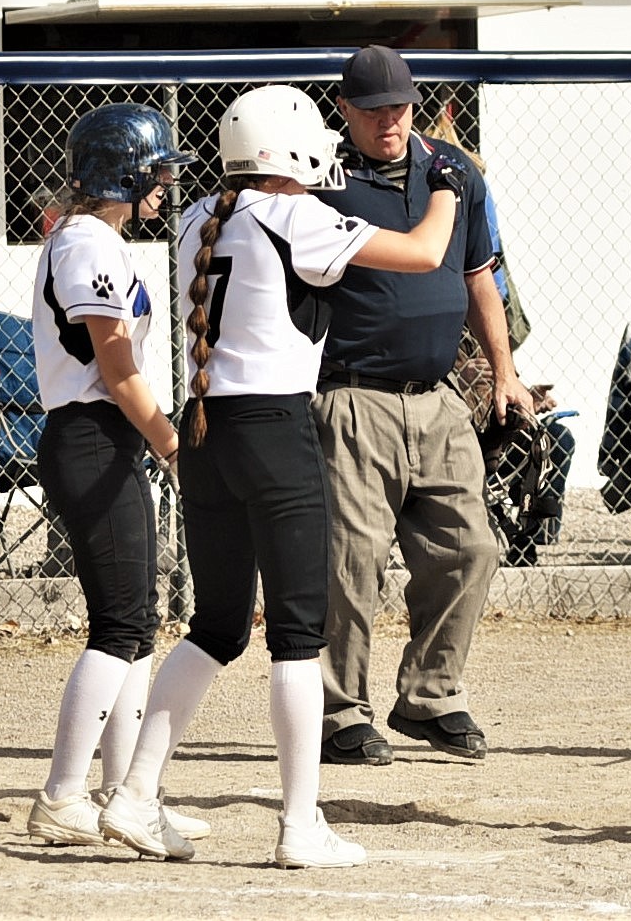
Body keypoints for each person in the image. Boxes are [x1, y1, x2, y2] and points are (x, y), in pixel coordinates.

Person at [95, 84, 466, 866]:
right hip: (272, 428)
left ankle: (133, 794)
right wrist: (451, 187)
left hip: (203, 428)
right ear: (286, 149)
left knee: (217, 627)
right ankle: (301, 825)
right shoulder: (293, 213)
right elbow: (426, 253)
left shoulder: (202, 214)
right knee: (299, 634)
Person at [311, 45, 534, 767]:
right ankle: (339, 710)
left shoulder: (454, 171)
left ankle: (431, 695)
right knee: (351, 562)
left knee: (470, 548)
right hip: (352, 394)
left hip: (437, 399)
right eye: (374, 109)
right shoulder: (321, 178)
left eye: (401, 106)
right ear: (343, 110)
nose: (390, 120)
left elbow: (479, 277)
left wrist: (504, 372)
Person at [26, 103, 209, 846]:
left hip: (106, 439)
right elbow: (115, 364)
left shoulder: (96, 238)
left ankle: (123, 791)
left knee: (138, 623)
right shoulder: (85, 242)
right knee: (122, 623)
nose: (164, 186)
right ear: (122, 174)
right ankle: (63, 795)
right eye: (155, 173)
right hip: (92, 439)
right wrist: (171, 443)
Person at [424, 105, 577, 567]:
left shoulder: (465, 194)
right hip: (451, 376)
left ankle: (525, 532)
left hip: (476, 348)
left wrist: (513, 381)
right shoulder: (443, 193)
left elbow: (487, 278)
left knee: (551, 435)